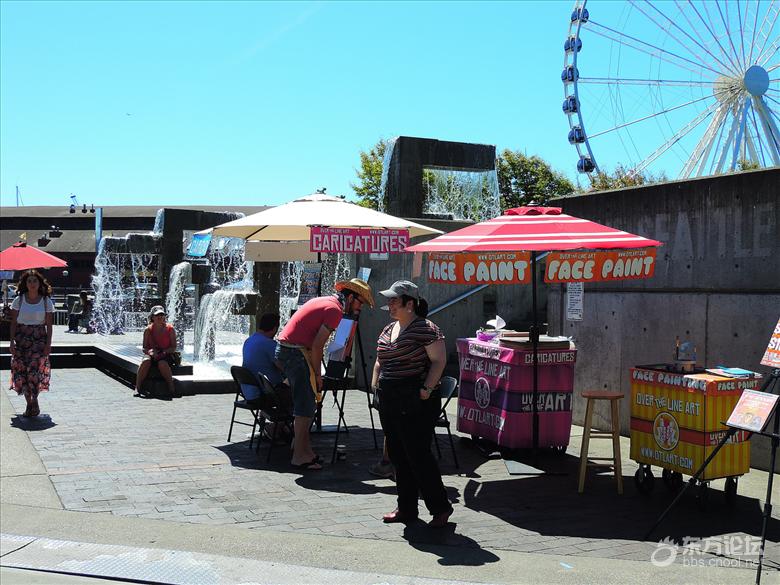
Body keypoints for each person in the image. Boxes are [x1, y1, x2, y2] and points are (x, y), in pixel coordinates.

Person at [372, 279, 452, 527]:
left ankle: (440, 507)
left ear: (410, 303)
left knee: (417, 454)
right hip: (390, 397)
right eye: (390, 300)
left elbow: (439, 361)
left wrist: (427, 389)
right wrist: (375, 386)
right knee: (397, 453)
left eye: (394, 300)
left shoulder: (426, 329)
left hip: (416, 399)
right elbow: (379, 360)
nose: (390, 304)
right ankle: (406, 508)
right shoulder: (388, 329)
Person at [275, 278, 374, 470]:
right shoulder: (335, 311)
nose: (359, 308)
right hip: (295, 353)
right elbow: (318, 346)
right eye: (360, 302)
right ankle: (299, 457)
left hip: (287, 351)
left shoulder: (324, 301)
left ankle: (304, 450)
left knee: (308, 403)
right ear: (350, 297)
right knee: (305, 406)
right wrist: (319, 376)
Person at [8, 270, 55, 417]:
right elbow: (13, 323)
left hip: (39, 339)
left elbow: (49, 325)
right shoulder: (19, 300)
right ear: (25, 284)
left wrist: (48, 344)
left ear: (39, 283)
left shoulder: (46, 301)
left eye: (35, 281)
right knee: (22, 372)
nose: (32, 284)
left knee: (35, 372)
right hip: (22, 339)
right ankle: (30, 403)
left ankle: (34, 399)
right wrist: (11, 342)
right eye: (29, 281)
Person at [242, 312, 293, 437]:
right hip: (263, 393)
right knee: (299, 394)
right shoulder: (269, 344)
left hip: (248, 391)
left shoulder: (249, 341)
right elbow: (285, 367)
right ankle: (276, 427)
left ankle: (282, 426)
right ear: (275, 328)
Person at [135, 306, 178, 397]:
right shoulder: (148, 330)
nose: (160, 317)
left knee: (162, 363)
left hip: (166, 354)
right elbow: (144, 348)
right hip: (152, 354)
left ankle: (171, 388)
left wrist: (164, 352)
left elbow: (173, 347)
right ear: (152, 317)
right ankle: (138, 387)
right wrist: (150, 352)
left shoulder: (170, 329)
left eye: (162, 315)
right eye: (157, 315)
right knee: (145, 361)